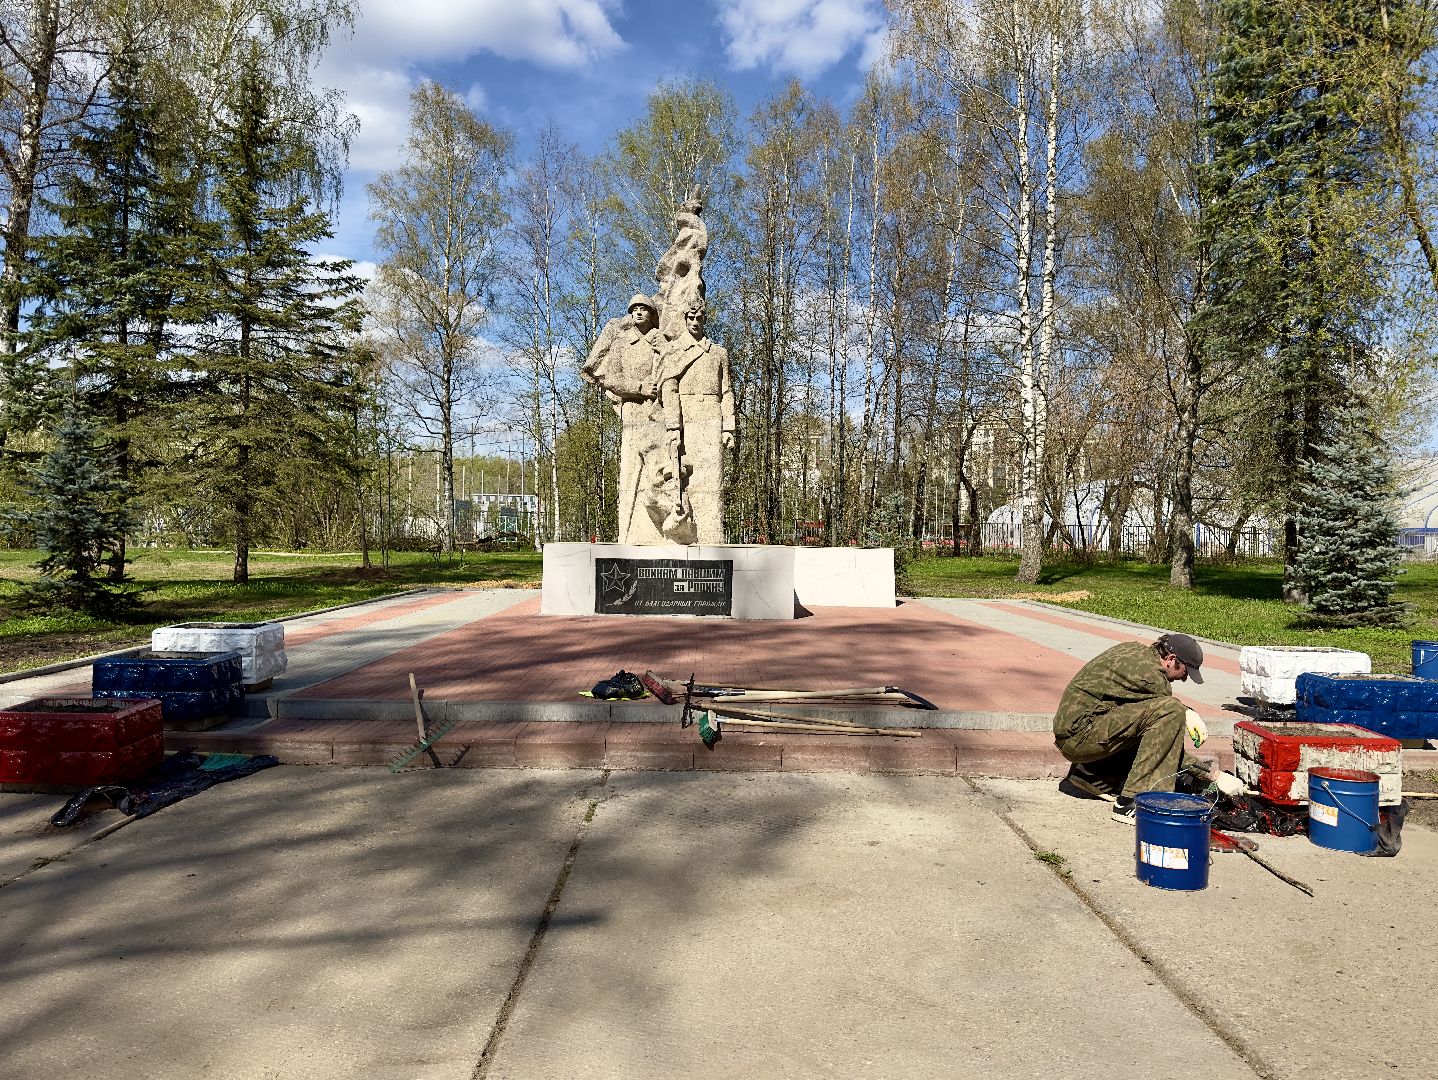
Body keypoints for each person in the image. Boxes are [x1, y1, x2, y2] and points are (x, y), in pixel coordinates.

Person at [1053, 633, 1207, 824]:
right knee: (1171, 711)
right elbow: (1166, 744)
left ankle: (1093, 776)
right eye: (1186, 671)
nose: (1184, 679)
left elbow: (1135, 719)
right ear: (1171, 659)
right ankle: (1133, 803)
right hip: (1079, 738)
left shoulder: (1134, 650)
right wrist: (1210, 774)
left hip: (1076, 731)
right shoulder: (1153, 679)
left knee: (1148, 718)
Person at [581, 295, 667, 544]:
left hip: (659, 411)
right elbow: (611, 379)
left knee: (660, 469)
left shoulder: (661, 341)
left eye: (644, 309)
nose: (638, 313)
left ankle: (664, 528)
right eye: (634, 309)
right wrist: (640, 387)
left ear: (652, 314)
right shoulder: (621, 343)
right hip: (632, 410)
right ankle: (627, 532)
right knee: (631, 469)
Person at [656, 304, 734, 544]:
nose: (695, 322)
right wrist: (673, 426)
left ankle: (711, 536)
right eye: (691, 317)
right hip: (686, 418)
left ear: (705, 319)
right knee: (687, 479)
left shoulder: (718, 352)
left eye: (699, 317)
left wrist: (728, 427)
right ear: (685, 319)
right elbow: (669, 389)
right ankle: (686, 532)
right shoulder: (675, 351)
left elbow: (726, 391)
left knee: (712, 480)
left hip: (712, 417)